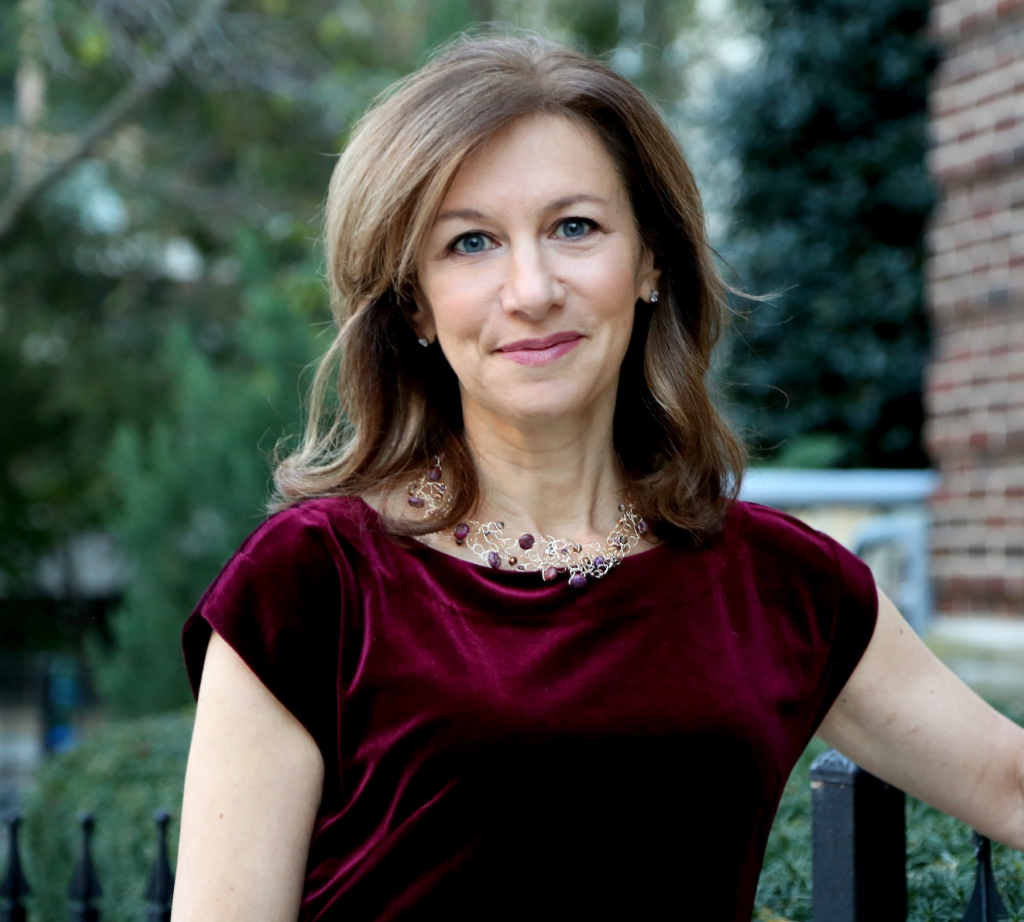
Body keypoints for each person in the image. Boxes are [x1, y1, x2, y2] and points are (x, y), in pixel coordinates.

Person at [172, 32, 1024, 922]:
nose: (532, 289)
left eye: (573, 227)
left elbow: (1008, 783)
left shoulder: (785, 586)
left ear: (651, 258)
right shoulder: (311, 584)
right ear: (414, 301)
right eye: (471, 243)